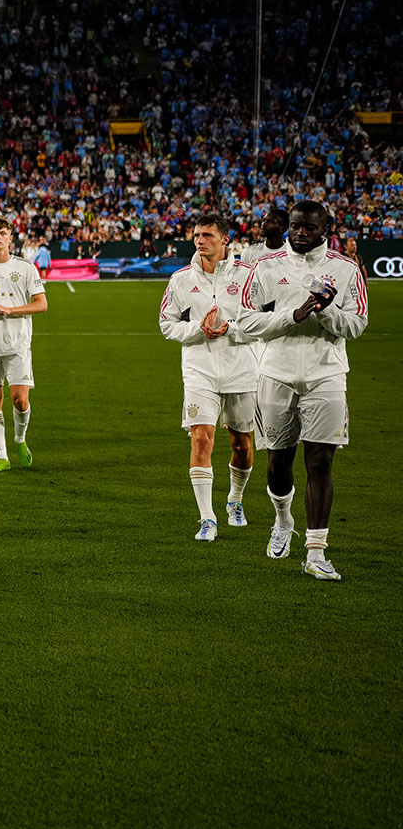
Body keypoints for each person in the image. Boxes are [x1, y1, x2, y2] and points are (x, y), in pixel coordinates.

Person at [229, 201, 368, 580]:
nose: (300, 232)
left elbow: (356, 326)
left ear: (327, 227)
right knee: (278, 461)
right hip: (276, 373)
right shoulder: (266, 268)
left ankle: (316, 550)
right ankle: (282, 518)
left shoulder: (345, 269)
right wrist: (295, 315)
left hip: (327, 375)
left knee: (320, 461)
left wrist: (324, 311)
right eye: (295, 226)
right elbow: (245, 322)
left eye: (308, 226)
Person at [159, 213, 259, 541]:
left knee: (242, 444)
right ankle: (207, 518)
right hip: (199, 368)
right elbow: (167, 324)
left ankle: (236, 500)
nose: (200, 240)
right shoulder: (181, 279)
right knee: (201, 438)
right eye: (197, 235)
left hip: (241, 368)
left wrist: (231, 328)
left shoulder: (247, 276)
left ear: (225, 240)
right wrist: (197, 330)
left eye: (207, 235)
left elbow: (265, 321)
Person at [0, 218, 47, 472]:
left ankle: (20, 439)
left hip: (17, 345)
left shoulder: (25, 269)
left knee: (19, 401)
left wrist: (10, 310)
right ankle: (1, 457)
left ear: (10, 238)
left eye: (2, 233)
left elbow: (41, 304)